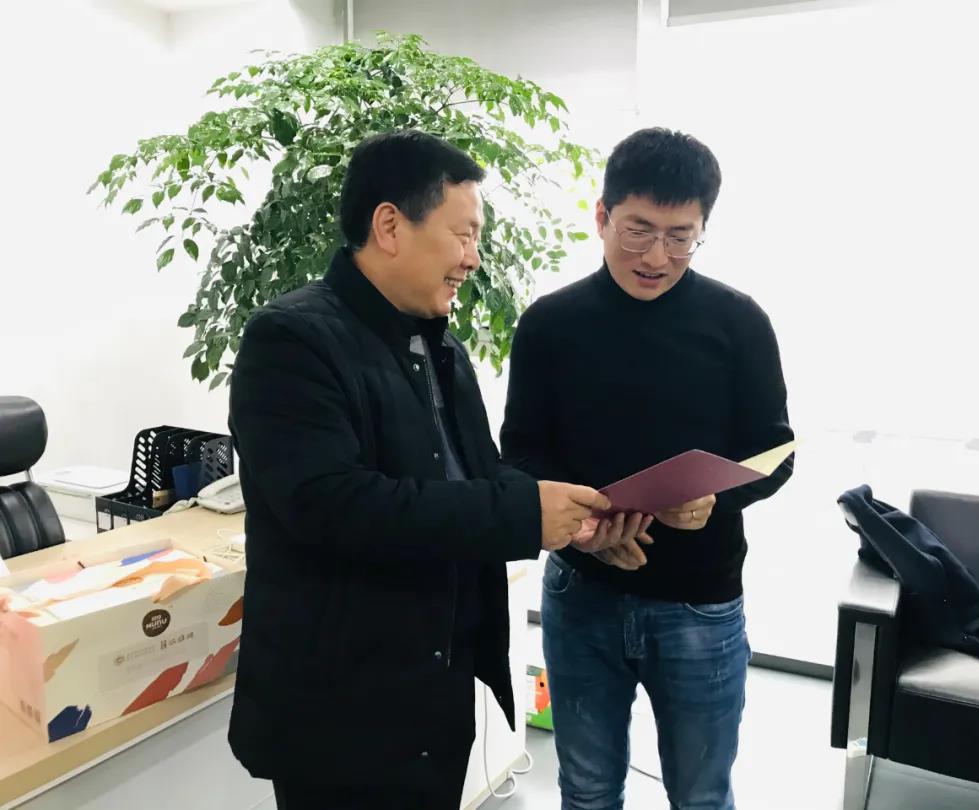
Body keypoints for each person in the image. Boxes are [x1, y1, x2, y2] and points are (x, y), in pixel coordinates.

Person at [227, 130, 611, 809]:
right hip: (341, 715)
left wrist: (575, 516)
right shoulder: (290, 339)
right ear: (389, 226)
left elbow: (476, 477)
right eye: (463, 234)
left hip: (433, 696)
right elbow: (334, 505)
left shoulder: (440, 346)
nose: (474, 258)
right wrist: (524, 514)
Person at [501, 127, 796, 810]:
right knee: (587, 788)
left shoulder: (739, 322)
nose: (657, 257)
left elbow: (774, 452)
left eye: (680, 236)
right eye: (638, 230)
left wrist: (716, 501)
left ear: (702, 230)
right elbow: (519, 455)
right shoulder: (549, 325)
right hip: (581, 593)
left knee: (701, 794)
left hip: (700, 599)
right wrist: (578, 530)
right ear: (602, 216)